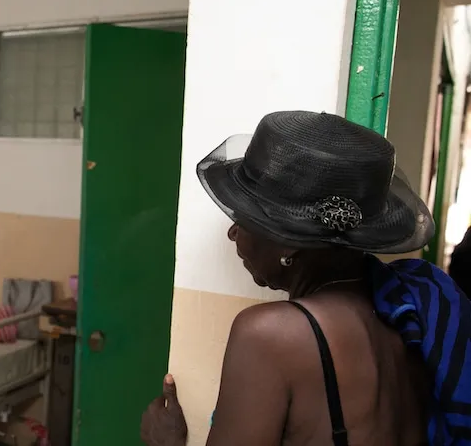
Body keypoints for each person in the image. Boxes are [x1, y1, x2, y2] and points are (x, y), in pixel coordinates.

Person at [141, 111, 471, 446]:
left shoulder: (271, 335)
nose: (233, 232)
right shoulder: (412, 309)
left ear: (290, 241)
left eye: (246, 218)